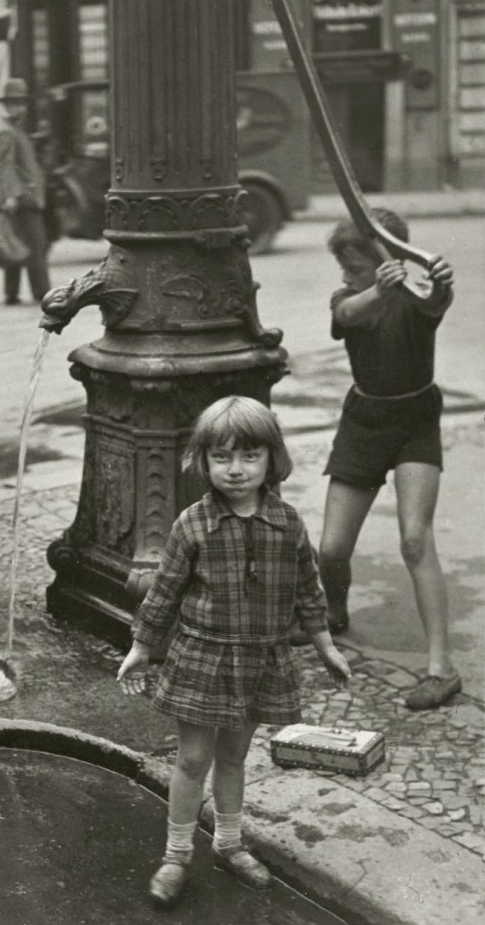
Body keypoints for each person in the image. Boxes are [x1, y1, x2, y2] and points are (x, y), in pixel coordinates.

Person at [117, 396, 350, 909]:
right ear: (203, 461)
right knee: (192, 758)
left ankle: (228, 843)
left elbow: (308, 590)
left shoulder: (288, 523)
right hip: (202, 659)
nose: (236, 469)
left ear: (272, 458)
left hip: (259, 659)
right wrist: (141, 647)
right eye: (221, 457)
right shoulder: (192, 524)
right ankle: (177, 854)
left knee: (234, 757)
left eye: (249, 455)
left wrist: (325, 646)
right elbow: (164, 592)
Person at [303, 209, 459, 712]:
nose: (345, 276)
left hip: (415, 421)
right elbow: (349, 314)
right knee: (332, 549)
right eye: (343, 268)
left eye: (354, 267)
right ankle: (335, 612)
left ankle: (442, 669)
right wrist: (375, 289)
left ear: (389, 259)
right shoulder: (348, 298)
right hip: (363, 424)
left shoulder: (417, 299)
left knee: (415, 539)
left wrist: (441, 281)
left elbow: (437, 300)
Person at [0, 77, 51, 306]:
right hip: (22, 198)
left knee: (14, 243)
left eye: (22, 103)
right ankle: (43, 293)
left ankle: (11, 293)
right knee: (36, 245)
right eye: (15, 103)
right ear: (6, 105)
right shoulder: (7, 132)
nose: (20, 108)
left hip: (22, 197)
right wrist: (12, 196)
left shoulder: (15, 130)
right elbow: (5, 167)